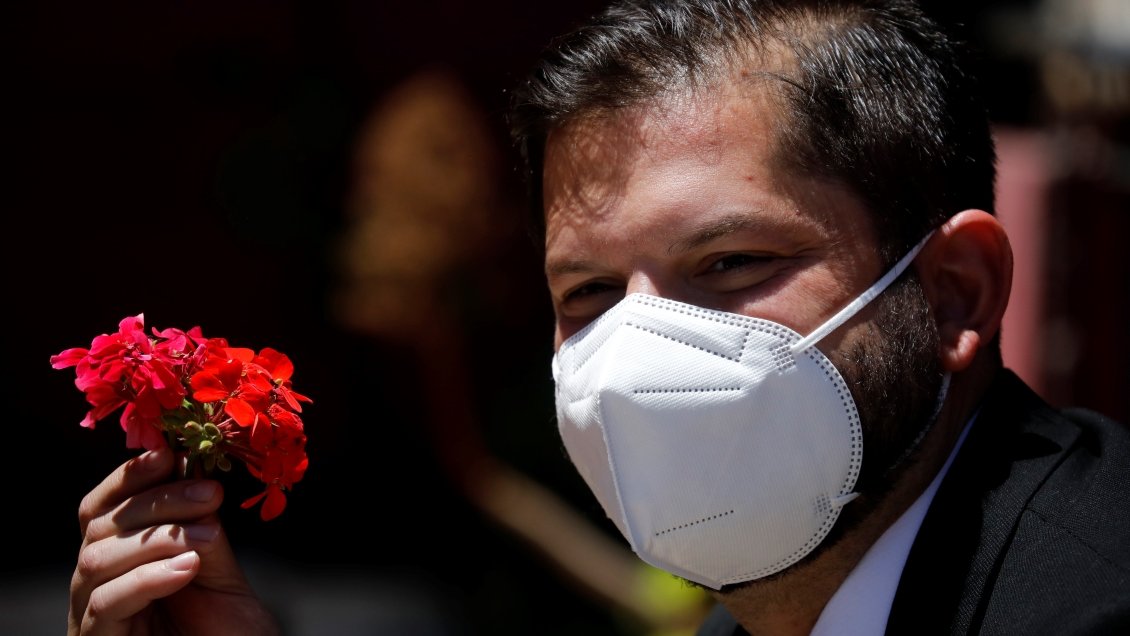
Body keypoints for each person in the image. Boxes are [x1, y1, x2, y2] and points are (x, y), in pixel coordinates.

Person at [67, 1, 1130, 635]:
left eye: (728, 261)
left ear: (955, 291)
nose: (630, 358)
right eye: (584, 294)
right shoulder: (776, 607)